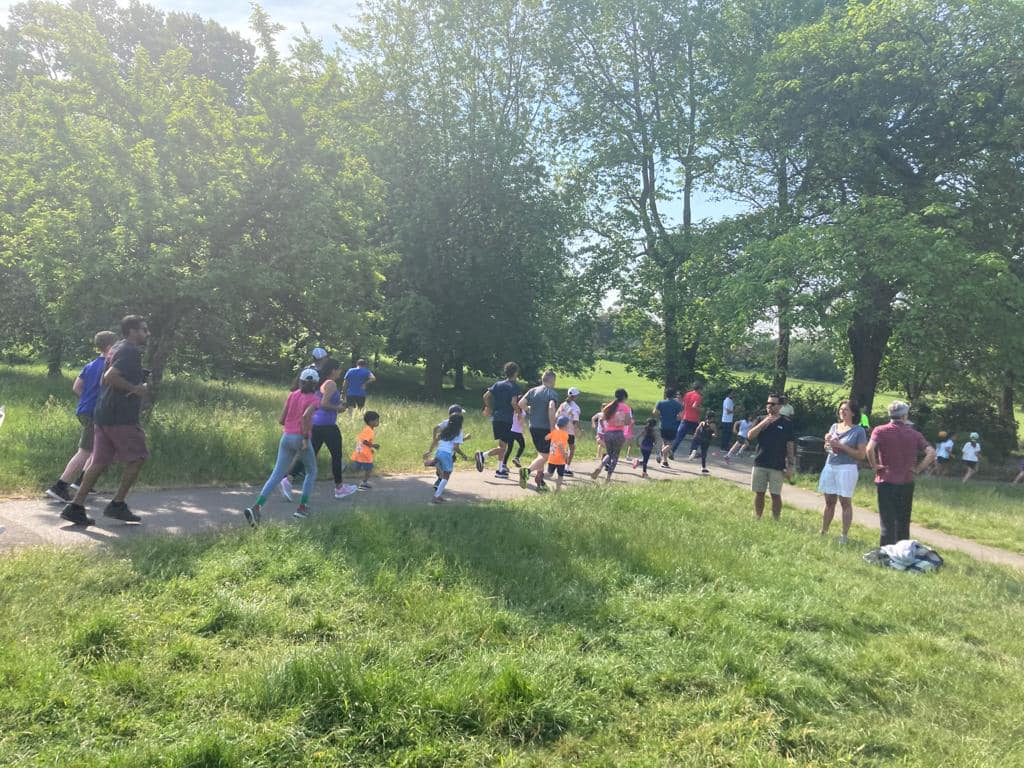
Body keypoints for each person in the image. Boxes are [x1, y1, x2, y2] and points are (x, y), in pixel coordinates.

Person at [60, 316, 151, 526]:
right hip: (121, 417)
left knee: (99, 460)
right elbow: (109, 377)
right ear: (132, 331)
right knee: (138, 457)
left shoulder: (116, 348)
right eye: (144, 330)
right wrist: (135, 388)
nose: (147, 333)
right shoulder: (129, 351)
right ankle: (117, 504)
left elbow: (104, 379)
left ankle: (75, 507)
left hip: (103, 415)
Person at [243, 368, 322, 526]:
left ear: (300, 381)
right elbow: (306, 416)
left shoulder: (292, 395)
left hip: (286, 437)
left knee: (277, 474)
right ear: (315, 384)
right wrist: (306, 438)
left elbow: (281, 419)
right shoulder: (314, 399)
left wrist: (290, 423)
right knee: (311, 471)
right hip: (300, 438)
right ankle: (302, 507)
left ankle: (256, 507)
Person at [46, 330, 118, 502]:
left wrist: (86, 399)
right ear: (109, 347)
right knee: (85, 451)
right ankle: (60, 486)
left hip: (84, 410)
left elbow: (77, 387)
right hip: (95, 413)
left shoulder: (91, 365)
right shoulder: (109, 366)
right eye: (116, 346)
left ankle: (82, 482)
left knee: (97, 449)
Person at [281, 359, 356, 501]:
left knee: (309, 453)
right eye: (339, 369)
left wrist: (338, 404)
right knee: (336, 455)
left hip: (316, 424)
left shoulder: (322, 382)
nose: (341, 372)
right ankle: (339, 488)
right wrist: (338, 408)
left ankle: (288, 479)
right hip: (327, 425)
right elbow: (323, 404)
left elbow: (321, 400)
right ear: (333, 370)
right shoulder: (331, 383)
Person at [865, 401, 934, 546]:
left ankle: (886, 551)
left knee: (887, 520)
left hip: (886, 479)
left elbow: (869, 449)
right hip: (906, 480)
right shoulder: (915, 434)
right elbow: (931, 453)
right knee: (903, 520)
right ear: (904, 416)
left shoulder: (880, 430)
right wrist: (918, 468)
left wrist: (874, 465)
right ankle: (902, 550)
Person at [818, 400, 868, 544]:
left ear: (853, 413)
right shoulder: (834, 426)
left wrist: (841, 446)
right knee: (829, 501)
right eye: (841, 409)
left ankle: (844, 535)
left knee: (845, 501)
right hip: (830, 465)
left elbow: (861, 455)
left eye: (845, 409)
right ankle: (824, 531)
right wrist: (828, 443)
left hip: (847, 468)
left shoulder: (859, 431)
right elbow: (827, 448)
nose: (842, 412)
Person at [746, 394, 796, 520]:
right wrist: (763, 423)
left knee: (775, 494)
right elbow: (750, 436)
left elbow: (790, 445)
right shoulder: (760, 419)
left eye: (773, 404)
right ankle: (758, 516)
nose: (769, 406)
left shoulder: (786, 423)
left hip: (777, 464)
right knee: (759, 492)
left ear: (779, 406)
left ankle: (776, 519)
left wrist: (790, 465)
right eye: (768, 403)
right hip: (760, 462)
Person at [477, 362, 520, 478]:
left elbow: (486, 396)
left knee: (502, 445)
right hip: (506, 418)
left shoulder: (498, 384)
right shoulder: (514, 386)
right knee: (502, 447)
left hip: (496, 417)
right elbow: (513, 402)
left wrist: (488, 407)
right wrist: (519, 412)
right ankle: (483, 455)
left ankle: (500, 470)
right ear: (515, 373)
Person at [518, 371, 559, 491]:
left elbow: (521, 403)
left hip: (533, 426)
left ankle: (540, 480)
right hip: (545, 428)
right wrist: (552, 428)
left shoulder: (533, 391)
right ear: (552, 380)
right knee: (545, 456)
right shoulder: (552, 393)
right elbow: (551, 408)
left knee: (540, 453)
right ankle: (527, 471)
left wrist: (529, 410)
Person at [590, 389, 633, 481]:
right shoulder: (626, 408)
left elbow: (602, 419)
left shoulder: (609, 406)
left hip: (608, 433)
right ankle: (608, 478)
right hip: (619, 433)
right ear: (624, 397)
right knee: (615, 456)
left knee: (609, 453)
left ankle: (600, 466)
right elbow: (627, 422)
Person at [424, 407, 465, 504]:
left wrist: (430, 451)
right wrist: (464, 455)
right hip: (447, 455)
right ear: (460, 423)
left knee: (443, 473)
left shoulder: (445, 430)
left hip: (439, 452)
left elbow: (436, 440)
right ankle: (436, 496)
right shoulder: (459, 432)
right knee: (446, 476)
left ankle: (434, 462)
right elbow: (455, 448)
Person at [670, 382, 702, 459]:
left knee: (679, 436)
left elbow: (684, 405)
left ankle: (672, 451)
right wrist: (701, 409)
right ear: (699, 389)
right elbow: (694, 406)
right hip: (694, 419)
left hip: (685, 418)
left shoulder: (687, 394)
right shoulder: (698, 396)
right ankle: (692, 452)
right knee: (698, 435)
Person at [350, 411, 381, 490]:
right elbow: (365, 441)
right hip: (365, 455)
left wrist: (370, 449)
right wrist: (374, 446)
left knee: (356, 467)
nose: (378, 422)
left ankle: (344, 467)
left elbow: (363, 441)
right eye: (377, 420)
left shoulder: (367, 429)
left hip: (361, 452)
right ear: (371, 422)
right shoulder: (369, 431)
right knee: (369, 469)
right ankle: (364, 483)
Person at [555, 387, 582, 475]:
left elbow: (556, 417)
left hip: (560, 430)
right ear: (575, 396)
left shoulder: (562, 405)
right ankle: (566, 467)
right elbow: (575, 421)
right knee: (572, 449)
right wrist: (579, 429)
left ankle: (557, 465)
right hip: (570, 431)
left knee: (561, 448)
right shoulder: (576, 407)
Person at [654, 388, 683, 467]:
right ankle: (660, 453)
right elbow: (680, 416)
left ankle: (665, 461)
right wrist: (676, 418)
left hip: (663, 425)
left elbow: (654, 412)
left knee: (665, 443)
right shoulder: (677, 404)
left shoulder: (660, 403)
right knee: (670, 445)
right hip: (673, 426)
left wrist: (660, 416)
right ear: (674, 395)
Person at [545, 416, 572, 492]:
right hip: (560, 460)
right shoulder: (565, 434)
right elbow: (560, 445)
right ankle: (558, 490)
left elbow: (546, 438)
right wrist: (565, 455)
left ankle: (540, 475)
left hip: (552, 458)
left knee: (550, 473)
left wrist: (552, 436)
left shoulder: (554, 432)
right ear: (566, 425)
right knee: (560, 476)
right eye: (568, 424)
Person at [719, 389, 735, 453]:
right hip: (726, 420)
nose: (734, 394)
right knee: (726, 435)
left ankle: (725, 447)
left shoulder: (730, 400)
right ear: (729, 394)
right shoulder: (728, 400)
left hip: (728, 420)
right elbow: (728, 411)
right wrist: (735, 411)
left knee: (727, 435)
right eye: (732, 393)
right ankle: (723, 447)